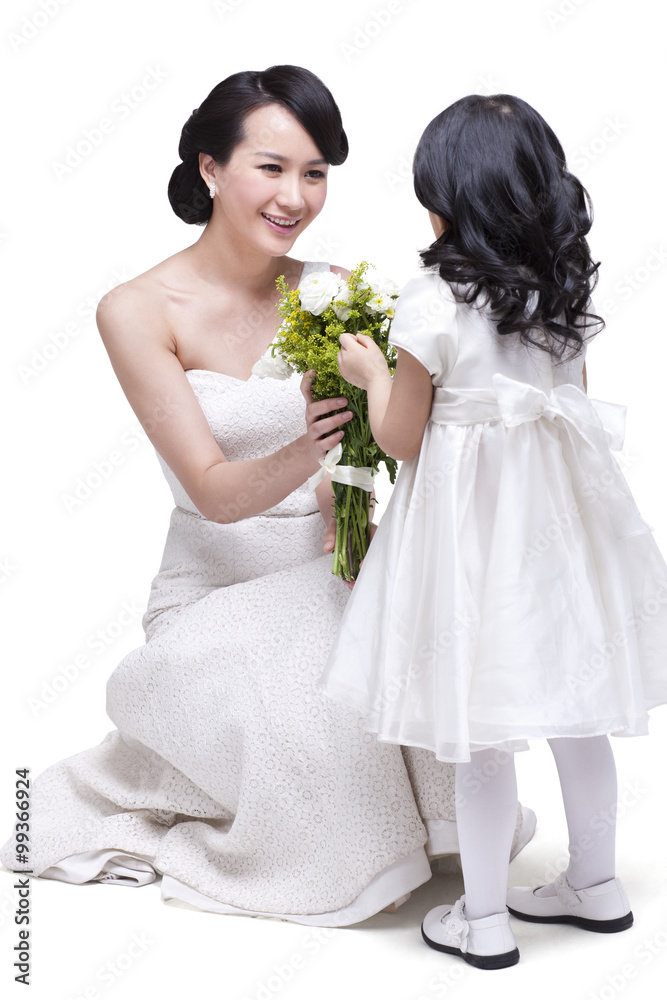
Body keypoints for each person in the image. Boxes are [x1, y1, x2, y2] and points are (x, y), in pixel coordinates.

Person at [0, 68, 535, 926]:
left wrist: (360, 532)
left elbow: (380, 449)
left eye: (316, 172)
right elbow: (212, 492)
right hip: (210, 599)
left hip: (331, 572)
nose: (295, 196)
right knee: (311, 701)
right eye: (271, 167)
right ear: (210, 168)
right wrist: (310, 441)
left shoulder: (334, 286)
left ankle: (433, 834)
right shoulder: (137, 309)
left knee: (409, 655)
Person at [318, 93, 667, 962]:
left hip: (469, 539)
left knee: (476, 712)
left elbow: (401, 438)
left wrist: (365, 372)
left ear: (451, 200)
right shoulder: (563, 289)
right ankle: (595, 884)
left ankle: (482, 921)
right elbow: (573, 408)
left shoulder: (432, 297)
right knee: (576, 705)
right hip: (564, 531)